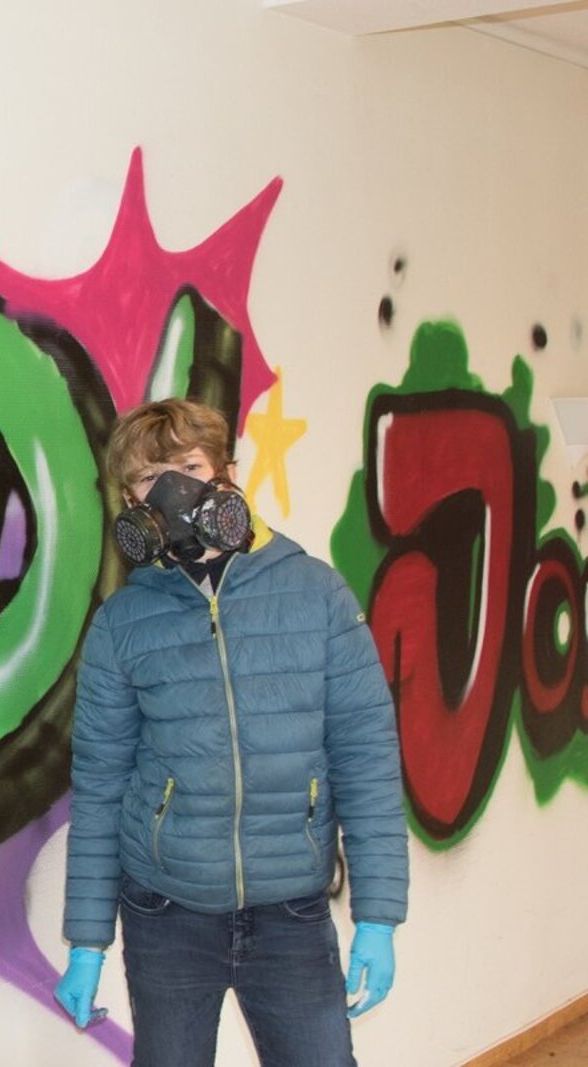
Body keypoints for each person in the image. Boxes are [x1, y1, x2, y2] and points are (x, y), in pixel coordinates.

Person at [53, 398, 407, 1066]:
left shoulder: (318, 595)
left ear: (228, 473)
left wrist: (378, 915)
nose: (172, 490)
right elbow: (100, 788)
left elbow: (366, 760)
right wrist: (88, 942)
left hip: (292, 913)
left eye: (188, 467)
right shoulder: (123, 623)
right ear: (131, 502)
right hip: (167, 917)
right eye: (149, 477)